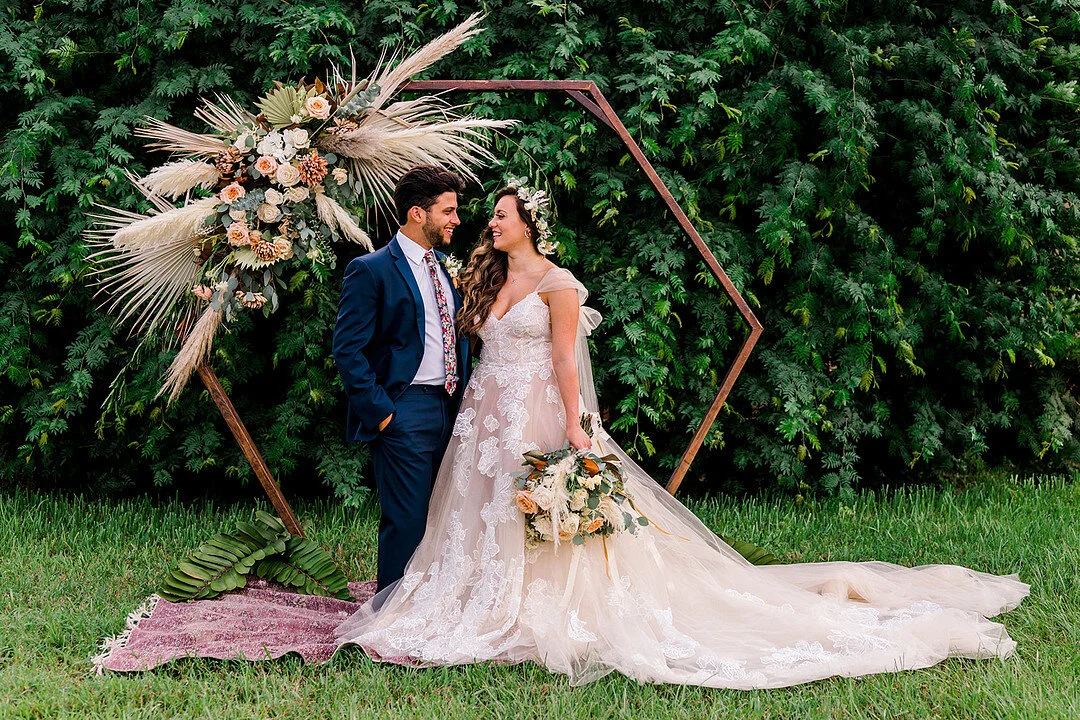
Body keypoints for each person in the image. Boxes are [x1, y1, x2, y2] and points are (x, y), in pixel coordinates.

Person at [335, 181, 1029, 689]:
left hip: (534, 414)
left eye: (498, 215)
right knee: (469, 517)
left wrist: (576, 425)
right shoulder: (479, 275)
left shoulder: (560, 284)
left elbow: (561, 362)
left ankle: (528, 610)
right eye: (479, 214)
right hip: (479, 414)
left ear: (529, 225)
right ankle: (452, 598)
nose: (486, 222)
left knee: (543, 519)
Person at [332, 165, 470, 591]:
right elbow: (347, 349)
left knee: (446, 517)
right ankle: (390, 617)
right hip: (404, 410)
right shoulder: (371, 270)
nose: (456, 220)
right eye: (447, 211)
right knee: (406, 521)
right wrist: (384, 414)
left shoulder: (447, 269)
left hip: (452, 408)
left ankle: (432, 609)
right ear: (417, 213)